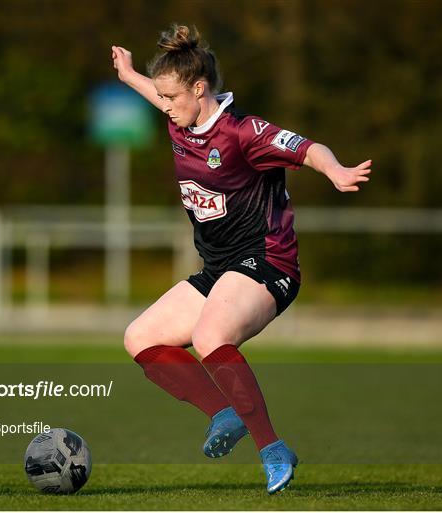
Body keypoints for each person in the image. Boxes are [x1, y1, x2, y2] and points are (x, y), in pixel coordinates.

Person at [111, 24, 371, 494]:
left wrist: (334, 169)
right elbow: (159, 93)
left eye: (172, 98)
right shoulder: (180, 119)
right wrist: (130, 77)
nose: (165, 107)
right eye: (163, 99)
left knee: (212, 334)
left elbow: (307, 148)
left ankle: (273, 451)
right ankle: (224, 413)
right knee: (140, 337)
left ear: (199, 88)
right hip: (219, 268)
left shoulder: (242, 132)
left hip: (268, 263)